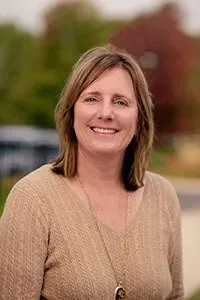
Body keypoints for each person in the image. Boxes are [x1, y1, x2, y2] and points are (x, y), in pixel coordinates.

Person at [0, 45, 184, 299]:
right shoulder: (32, 199)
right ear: (72, 110)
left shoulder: (163, 195)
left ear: (140, 117)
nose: (106, 113)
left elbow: (175, 295)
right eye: (92, 98)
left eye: (120, 102)